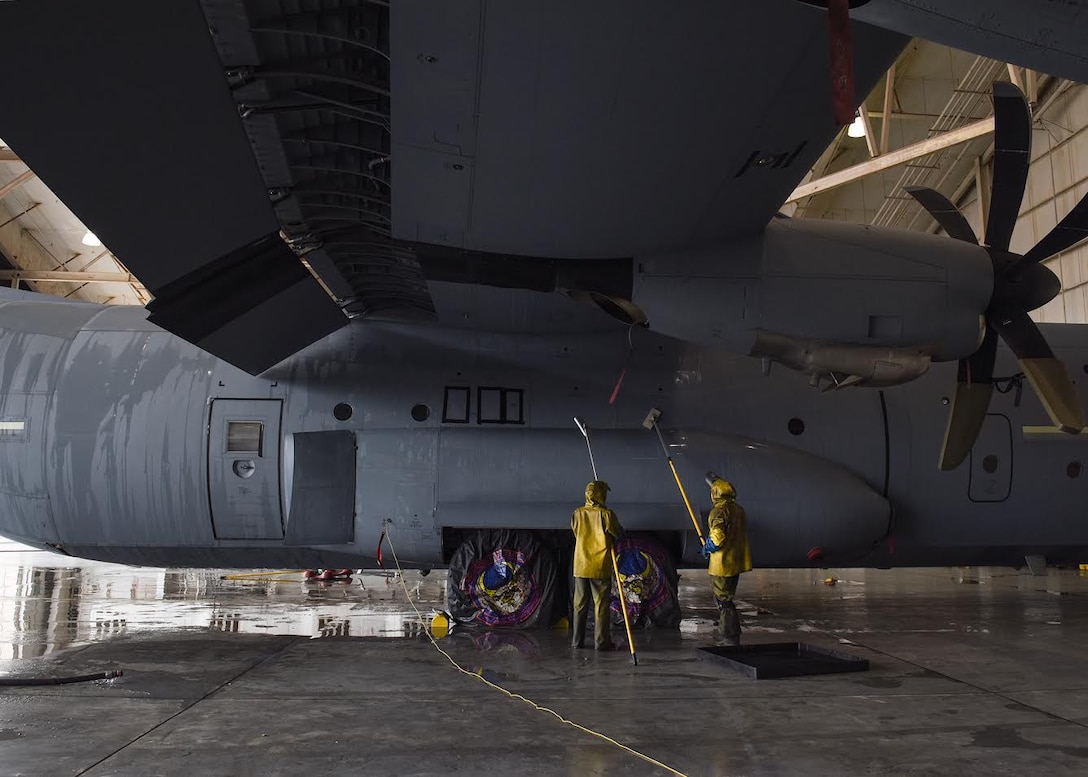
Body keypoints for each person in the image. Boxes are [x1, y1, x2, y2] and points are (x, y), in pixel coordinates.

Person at [571, 480, 623, 650]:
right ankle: (601, 643)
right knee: (600, 605)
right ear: (601, 495)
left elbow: (575, 531)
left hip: (580, 565)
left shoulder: (577, 513)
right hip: (599, 566)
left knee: (579, 605)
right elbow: (617, 532)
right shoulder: (607, 515)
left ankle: (576, 642)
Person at [702, 478, 752, 646]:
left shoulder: (719, 512)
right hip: (735, 561)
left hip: (721, 564)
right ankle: (730, 633)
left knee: (723, 601)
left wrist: (709, 546)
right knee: (728, 597)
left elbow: (717, 538)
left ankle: (730, 637)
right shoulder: (739, 510)